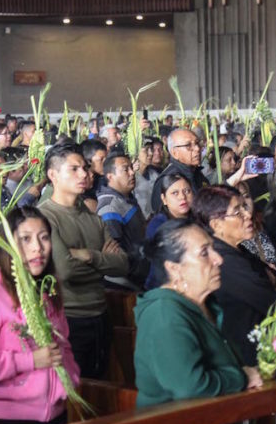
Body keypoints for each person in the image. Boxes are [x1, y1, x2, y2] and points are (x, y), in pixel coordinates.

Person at [134, 222, 261, 424]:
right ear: (175, 268)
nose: (218, 259)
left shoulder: (204, 305)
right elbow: (190, 386)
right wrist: (242, 377)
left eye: (214, 249)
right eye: (204, 253)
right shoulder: (165, 315)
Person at [0, 206, 80, 424]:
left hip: (55, 412)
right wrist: (30, 361)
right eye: (25, 239)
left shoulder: (46, 285)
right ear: (7, 244)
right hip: (10, 421)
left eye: (44, 237)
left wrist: (70, 379)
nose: (37, 247)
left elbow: (63, 343)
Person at [39, 143, 128, 379]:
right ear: (53, 175)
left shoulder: (92, 217)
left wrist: (88, 255)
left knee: (102, 386)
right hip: (69, 318)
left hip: (100, 313)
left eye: (85, 168)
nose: (84, 174)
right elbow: (65, 270)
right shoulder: (45, 217)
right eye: (74, 169)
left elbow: (122, 264)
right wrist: (102, 262)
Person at [192, 186, 276, 370]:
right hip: (251, 361)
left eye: (244, 207)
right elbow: (272, 302)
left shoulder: (238, 249)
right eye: (237, 212)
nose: (247, 215)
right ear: (216, 224)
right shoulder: (225, 261)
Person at [96, 152, 149, 289]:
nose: (132, 173)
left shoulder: (125, 198)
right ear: (110, 176)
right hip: (124, 284)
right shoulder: (110, 207)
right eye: (126, 169)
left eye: (132, 167)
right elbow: (115, 253)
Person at [145, 168, 194, 240]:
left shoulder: (199, 217)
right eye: (175, 193)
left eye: (187, 191)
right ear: (164, 199)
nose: (182, 197)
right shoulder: (157, 227)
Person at [165, 128, 210, 193]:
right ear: (175, 153)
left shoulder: (195, 172)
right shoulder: (170, 180)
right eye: (188, 145)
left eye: (197, 143)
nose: (197, 148)